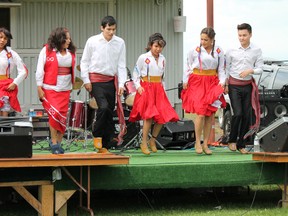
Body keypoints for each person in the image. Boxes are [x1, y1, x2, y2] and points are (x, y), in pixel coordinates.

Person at [80, 16, 127, 153]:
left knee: (109, 111)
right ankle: (97, 134)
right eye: (108, 29)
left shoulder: (120, 42)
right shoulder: (92, 41)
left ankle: (106, 144)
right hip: (95, 80)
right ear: (102, 28)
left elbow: (121, 65)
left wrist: (122, 84)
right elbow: (84, 62)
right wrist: (86, 80)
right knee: (104, 107)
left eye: (113, 29)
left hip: (111, 80)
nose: (111, 32)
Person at [129, 33, 179, 155]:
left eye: (160, 47)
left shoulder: (163, 59)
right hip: (147, 86)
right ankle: (144, 142)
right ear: (151, 45)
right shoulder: (143, 57)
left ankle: (153, 140)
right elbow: (135, 73)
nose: (158, 49)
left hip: (159, 88)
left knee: (163, 116)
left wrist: (164, 90)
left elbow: (163, 77)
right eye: (156, 46)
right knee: (149, 116)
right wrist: (138, 86)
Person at [181, 27, 226, 155]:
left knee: (209, 113)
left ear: (212, 40)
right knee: (200, 112)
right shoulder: (194, 50)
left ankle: (206, 143)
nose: (203, 42)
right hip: (197, 81)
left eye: (206, 39)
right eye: (201, 39)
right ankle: (197, 142)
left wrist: (222, 83)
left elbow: (222, 69)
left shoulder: (218, 50)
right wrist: (185, 80)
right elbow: (188, 65)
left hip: (212, 81)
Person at [36, 27, 76, 154]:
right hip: (50, 88)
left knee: (63, 117)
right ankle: (53, 142)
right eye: (66, 38)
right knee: (54, 115)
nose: (69, 41)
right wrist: (39, 87)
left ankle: (59, 143)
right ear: (59, 39)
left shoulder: (71, 52)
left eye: (69, 38)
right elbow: (39, 69)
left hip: (65, 89)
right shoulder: (47, 50)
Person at [225, 23, 263, 154]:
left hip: (247, 86)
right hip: (234, 85)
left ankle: (242, 143)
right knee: (238, 113)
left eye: (244, 35)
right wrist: (225, 84)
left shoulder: (256, 50)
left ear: (250, 35)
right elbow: (227, 67)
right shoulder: (231, 49)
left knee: (247, 116)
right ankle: (231, 140)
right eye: (239, 35)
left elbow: (260, 68)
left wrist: (250, 71)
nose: (241, 38)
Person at [0, 27, 28, 116]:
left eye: (5, 38)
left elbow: (23, 71)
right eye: (0, 37)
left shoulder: (11, 54)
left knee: (4, 111)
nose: (2, 40)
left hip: (5, 86)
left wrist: (15, 83)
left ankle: (3, 129)